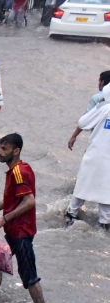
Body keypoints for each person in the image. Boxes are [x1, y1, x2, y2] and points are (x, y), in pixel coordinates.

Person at [0, 134, 46, 303]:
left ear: (16, 151)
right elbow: (11, 200)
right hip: (13, 230)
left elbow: (29, 201)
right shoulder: (18, 169)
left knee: (29, 277)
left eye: (4, 149)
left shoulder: (18, 172)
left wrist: (4, 218)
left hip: (21, 233)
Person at [65, 84, 110, 231]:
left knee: (83, 185)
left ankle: (71, 213)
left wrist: (98, 106)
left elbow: (83, 122)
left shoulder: (104, 108)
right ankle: (104, 222)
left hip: (94, 154)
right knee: (107, 190)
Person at [67, 70, 110, 151]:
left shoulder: (97, 98)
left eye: (99, 80)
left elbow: (85, 119)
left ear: (102, 82)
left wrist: (74, 136)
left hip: (97, 141)